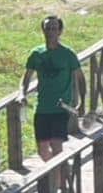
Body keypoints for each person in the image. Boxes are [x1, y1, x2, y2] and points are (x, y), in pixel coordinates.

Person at [20, 15, 85, 161]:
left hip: (61, 107)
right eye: (47, 28)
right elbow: (26, 76)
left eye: (54, 28)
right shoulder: (36, 54)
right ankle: (58, 173)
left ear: (60, 31)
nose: (50, 32)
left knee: (56, 146)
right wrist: (21, 93)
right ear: (43, 30)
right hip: (42, 107)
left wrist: (82, 101)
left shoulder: (68, 54)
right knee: (42, 151)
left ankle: (58, 183)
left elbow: (80, 78)